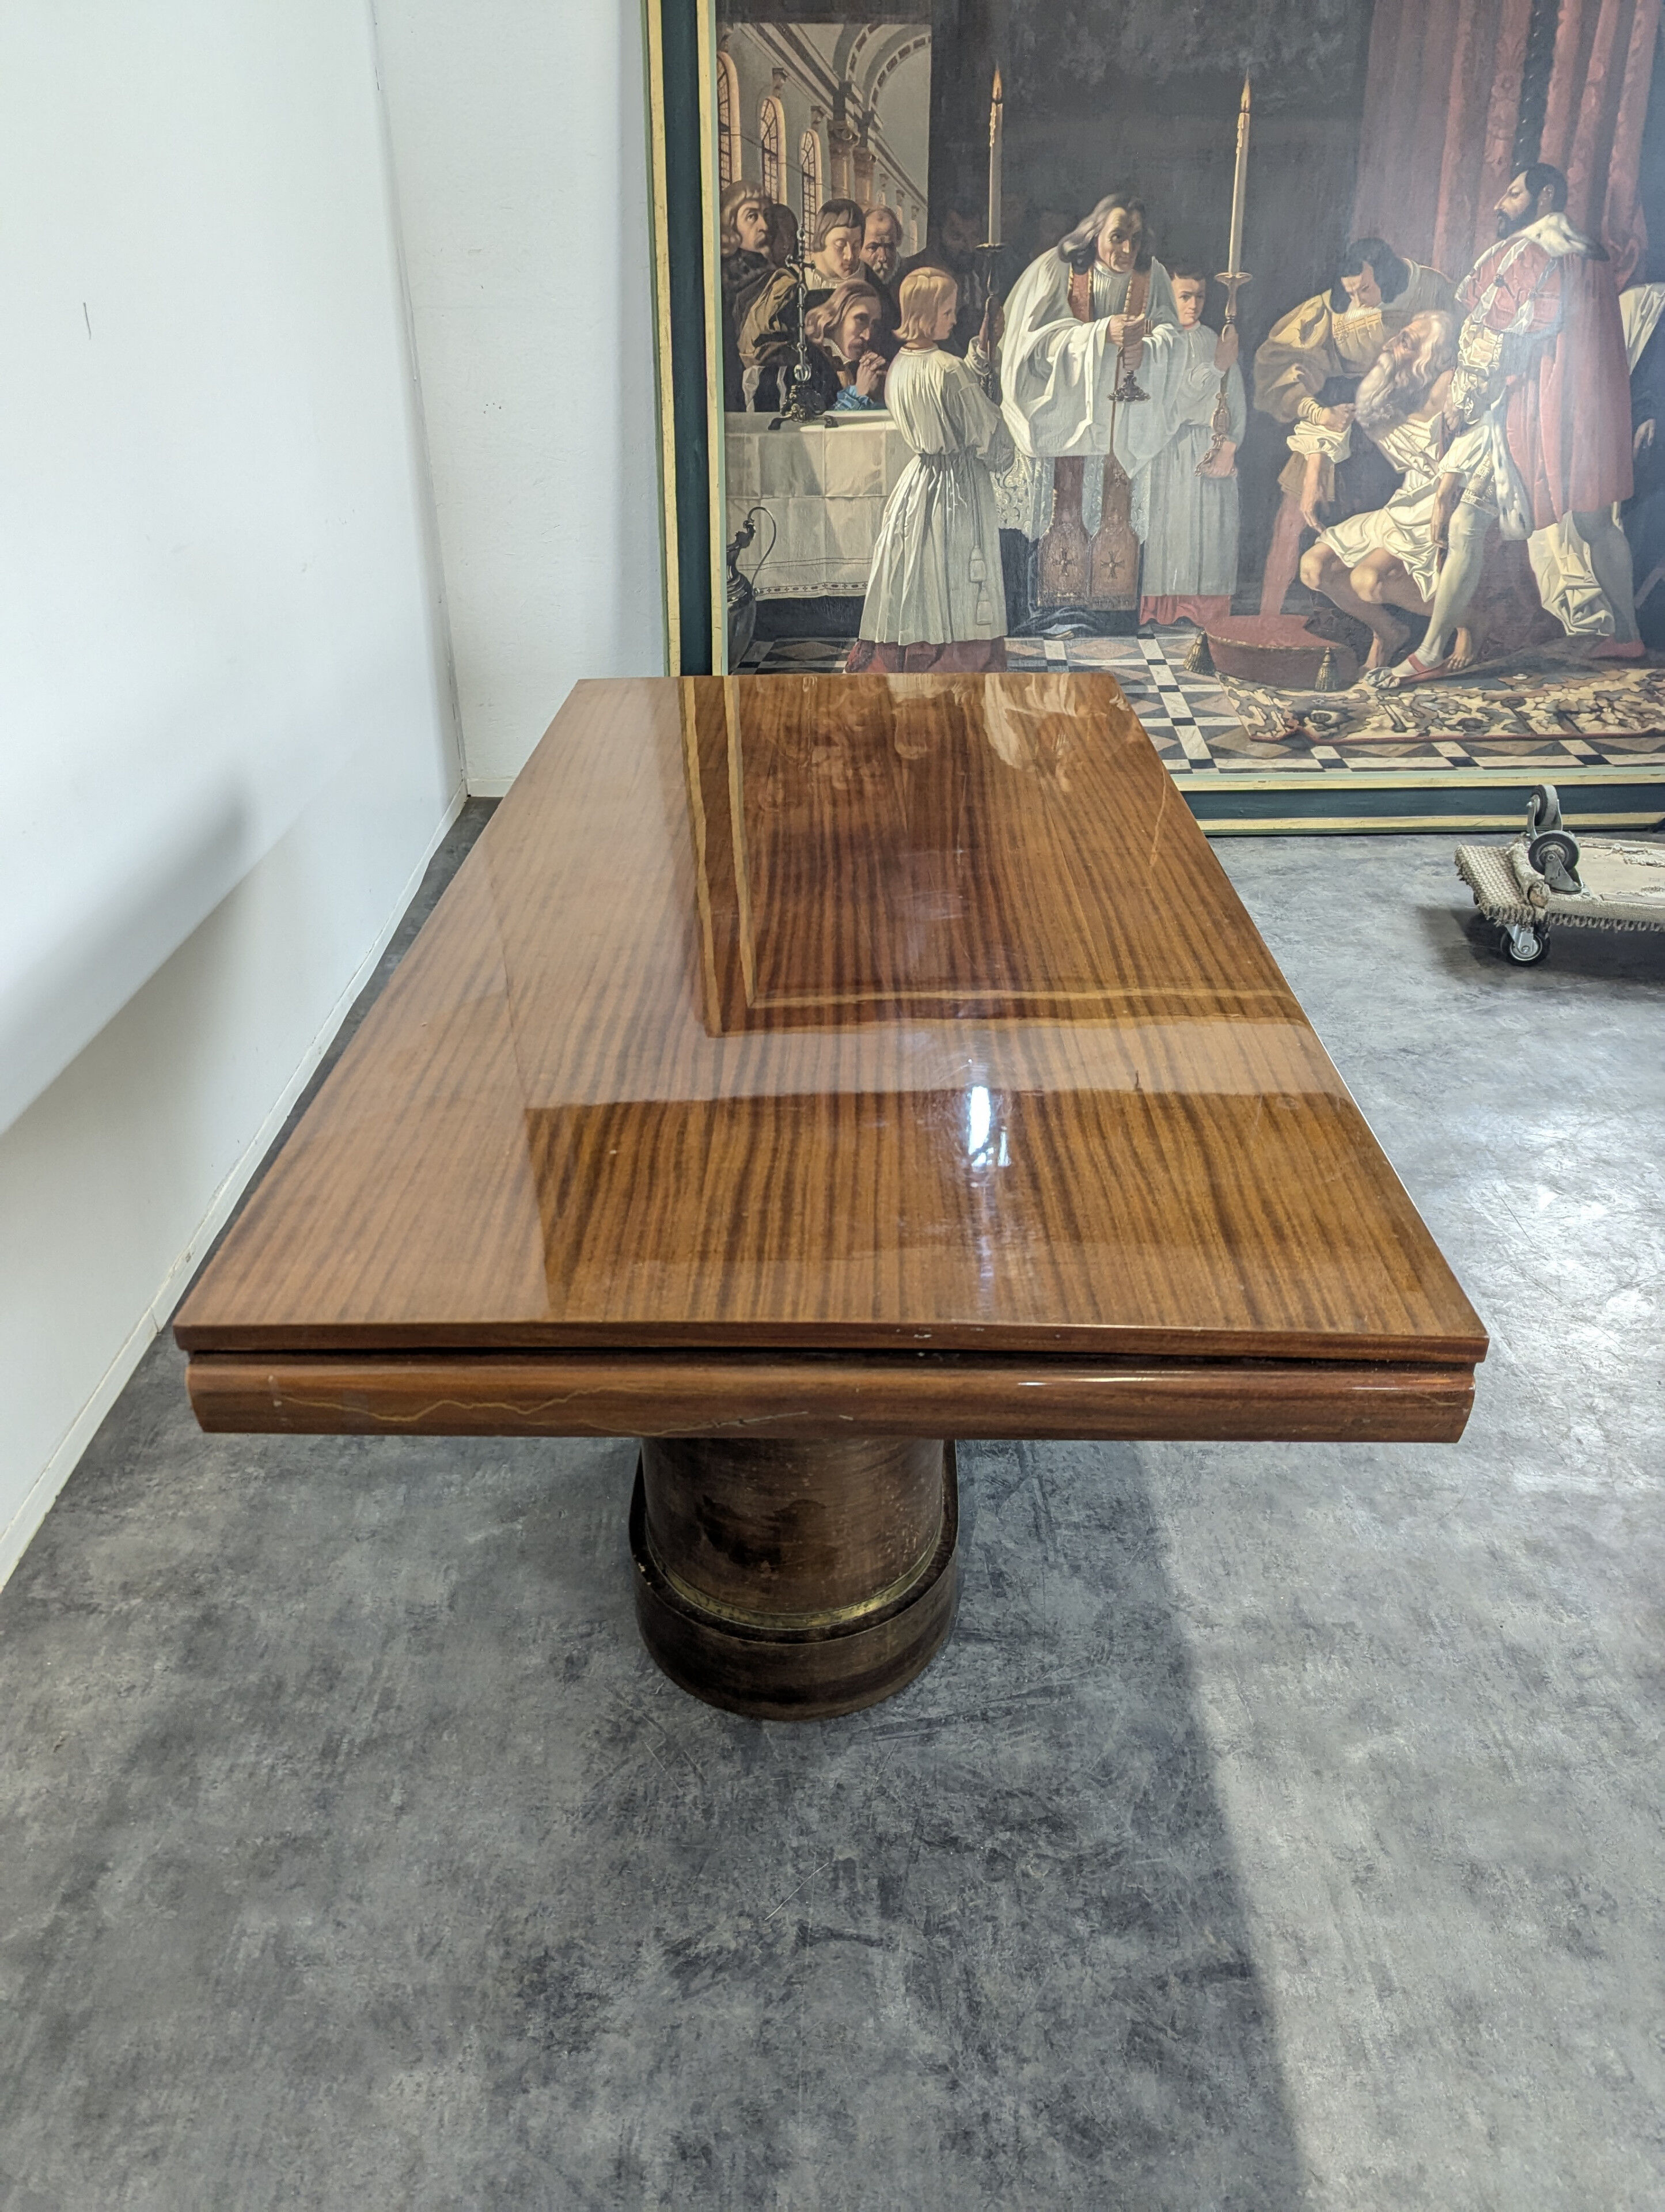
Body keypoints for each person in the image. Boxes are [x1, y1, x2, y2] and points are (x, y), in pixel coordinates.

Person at [1388, 164, 1640, 682]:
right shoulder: (1586, 252)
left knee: (1466, 522)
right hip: (1584, 415)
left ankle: (1431, 653)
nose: (1500, 204)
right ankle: (1629, 635)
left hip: (1534, 411)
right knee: (1594, 522)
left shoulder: (1533, 252)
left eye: (1511, 194)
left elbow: (1497, 336)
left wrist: (1463, 400)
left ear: (1544, 196)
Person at [998, 189, 1237, 613]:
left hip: (1125, 419)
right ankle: (1057, 608)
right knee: (1064, 513)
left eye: (1136, 239)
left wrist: (1149, 348)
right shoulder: (1057, 269)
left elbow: (1171, 337)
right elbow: (1030, 344)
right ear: (1093, 233)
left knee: (1115, 516)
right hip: (1068, 415)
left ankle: (1110, 610)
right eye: (1117, 237)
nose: (1127, 249)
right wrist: (1097, 334)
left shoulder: (1153, 276)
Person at [1254, 238, 1458, 613]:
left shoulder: (1430, 290)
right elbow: (1288, 367)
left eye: (1364, 288)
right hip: (1339, 419)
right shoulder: (1330, 312)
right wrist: (1317, 443)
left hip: (1407, 435)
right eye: (1350, 291)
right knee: (1298, 517)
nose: (1359, 299)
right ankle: (1271, 620)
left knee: (1392, 548)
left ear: (1385, 276)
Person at [1298, 311, 1488, 668]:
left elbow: (1475, 446)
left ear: (1436, 358)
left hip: (1438, 507)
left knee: (1368, 581)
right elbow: (1343, 418)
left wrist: (1447, 497)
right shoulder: (1393, 384)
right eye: (1400, 337)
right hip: (1403, 505)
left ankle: (1468, 619)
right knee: (1313, 568)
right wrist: (1315, 471)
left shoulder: (1452, 385)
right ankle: (1389, 632)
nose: (1390, 346)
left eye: (1406, 343)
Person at [847, 267, 1014, 673]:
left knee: (918, 573)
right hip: (956, 484)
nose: (954, 319)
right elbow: (986, 432)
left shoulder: (902, 363)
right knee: (954, 567)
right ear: (923, 314)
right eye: (947, 312)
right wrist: (1002, 451)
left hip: (918, 481)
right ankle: (956, 659)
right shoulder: (948, 369)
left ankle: (913, 654)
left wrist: (979, 355)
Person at [1133, 267, 1246, 627]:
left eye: (1200, 296)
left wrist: (1230, 444)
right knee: (1169, 528)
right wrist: (1215, 367)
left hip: (1206, 446)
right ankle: (1162, 607)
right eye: (1185, 296)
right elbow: (1173, 400)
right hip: (1166, 447)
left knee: (1209, 530)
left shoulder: (1216, 338)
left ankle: (1203, 608)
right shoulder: (1158, 343)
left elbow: (1236, 399)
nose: (1194, 304)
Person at [746, 278, 888, 416]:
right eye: (861, 319)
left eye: (874, 325)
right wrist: (859, 395)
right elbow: (814, 433)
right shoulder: (799, 363)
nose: (868, 335)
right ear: (835, 317)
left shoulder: (858, 367)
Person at [720, 181, 773, 412]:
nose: (764, 225)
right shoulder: (725, 280)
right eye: (752, 216)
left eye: (766, 215)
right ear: (730, 224)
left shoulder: (774, 275)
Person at [860, 205, 906, 356]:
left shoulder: (909, 281)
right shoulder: (851, 284)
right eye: (873, 247)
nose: (883, 257)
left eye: (889, 247)